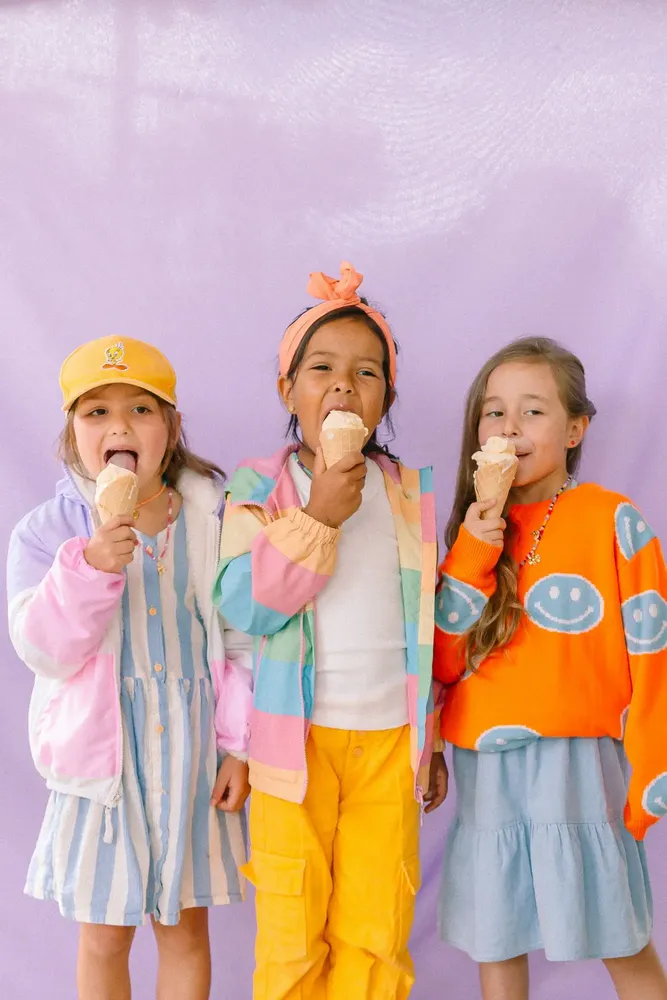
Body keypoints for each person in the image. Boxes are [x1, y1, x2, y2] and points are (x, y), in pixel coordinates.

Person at [213, 262, 448, 1000]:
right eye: (321, 369)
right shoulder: (259, 489)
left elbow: (429, 628)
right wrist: (316, 517)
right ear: (289, 390)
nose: (343, 385)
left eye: (366, 373)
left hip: (389, 745)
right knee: (291, 931)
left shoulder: (411, 495)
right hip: (293, 749)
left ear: (385, 398)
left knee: (376, 933)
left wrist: (430, 738)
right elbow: (243, 607)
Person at [7, 336, 252, 1000]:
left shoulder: (211, 516)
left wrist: (239, 747)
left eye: (142, 409)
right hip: (102, 765)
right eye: (96, 413)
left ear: (170, 429)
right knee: (104, 936)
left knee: (183, 930)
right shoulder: (45, 531)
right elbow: (43, 648)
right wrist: (89, 568)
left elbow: (240, 640)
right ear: (71, 434)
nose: (119, 426)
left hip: (193, 753)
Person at [434, 335, 667, 1000]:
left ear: (574, 428)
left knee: (616, 927)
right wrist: (472, 552)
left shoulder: (611, 518)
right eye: (492, 411)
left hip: (579, 760)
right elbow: (444, 662)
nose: (508, 427)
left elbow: (652, 644)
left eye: (532, 411)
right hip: (486, 758)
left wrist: (650, 761)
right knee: (495, 933)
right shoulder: (472, 531)